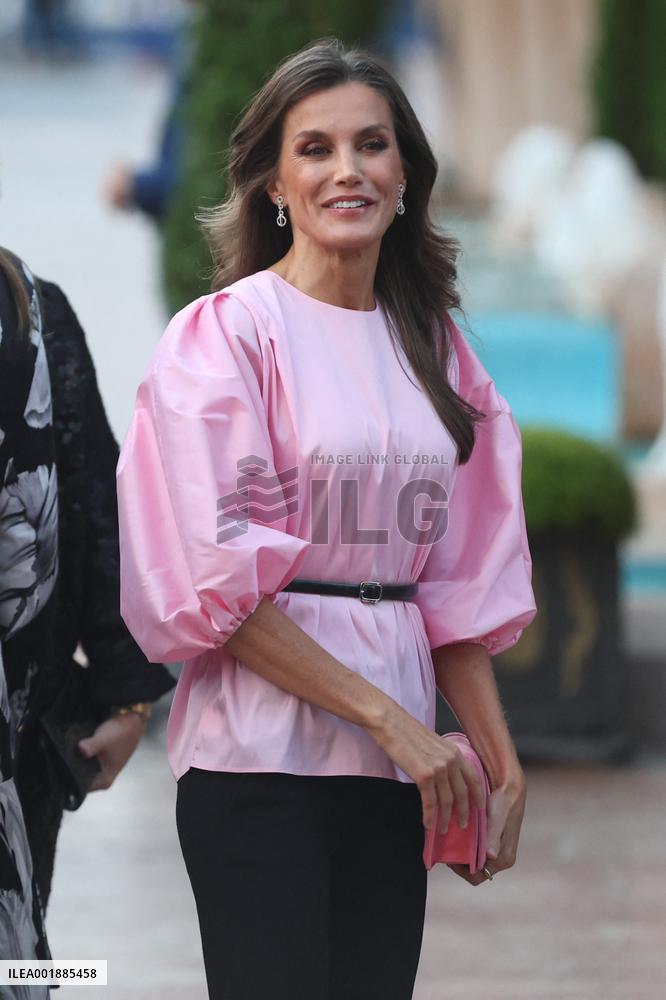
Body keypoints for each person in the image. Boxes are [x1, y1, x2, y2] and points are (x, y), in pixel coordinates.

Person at [116, 38, 537, 1000]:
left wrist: (499, 765)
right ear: (273, 180)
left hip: (399, 777)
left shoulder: (437, 352)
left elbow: (457, 585)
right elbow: (222, 587)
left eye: (372, 144)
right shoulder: (225, 338)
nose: (346, 170)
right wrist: (397, 725)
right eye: (314, 148)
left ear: (404, 174)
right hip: (258, 761)